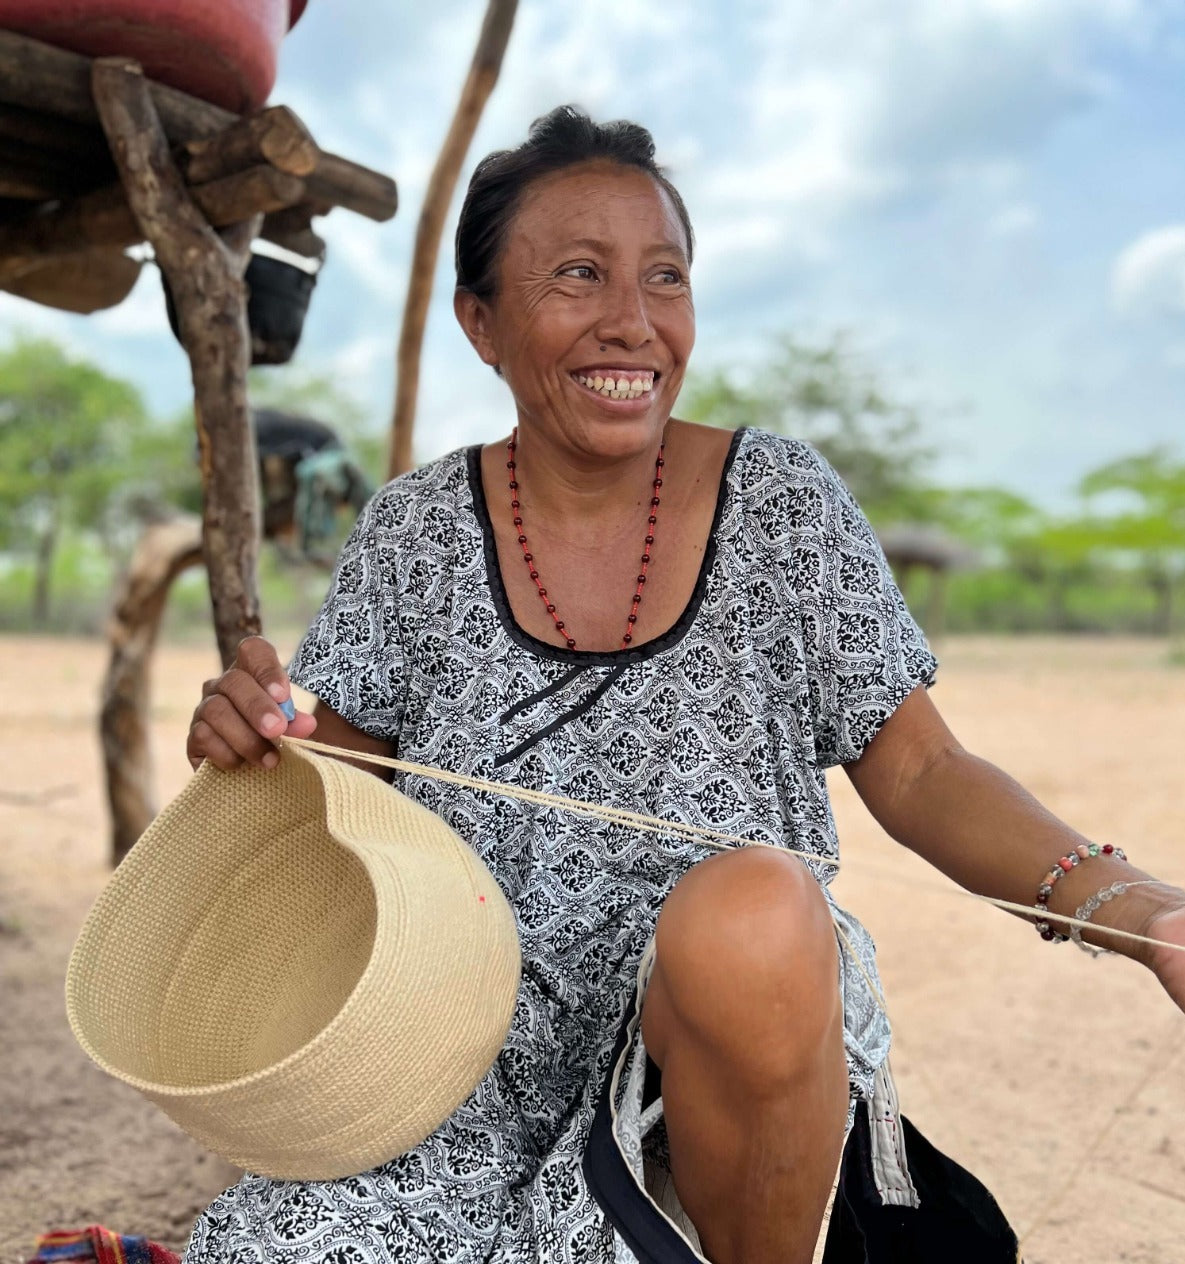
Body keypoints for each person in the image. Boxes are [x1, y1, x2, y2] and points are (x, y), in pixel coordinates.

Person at [183, 106, 1185, 1264]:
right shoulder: (411, 532)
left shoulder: (785, 507)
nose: (634, 322)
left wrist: (1143, 908)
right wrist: (260, 737)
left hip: (718, 1063)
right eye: (578, 275)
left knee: (748, 914)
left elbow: (921, 765)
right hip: (452, 1053)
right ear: (481, 322)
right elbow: (333, 775)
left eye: (667, 277)